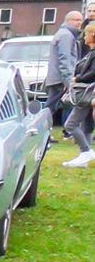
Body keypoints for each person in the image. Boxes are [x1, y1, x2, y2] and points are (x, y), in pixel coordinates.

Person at [60, 21, 95, 167]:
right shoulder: (90, 53)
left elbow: (93, 73)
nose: (84, 36)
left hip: (86, 93)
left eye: (86, 33)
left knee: (71, 124)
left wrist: (76, 79)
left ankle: (86, 151)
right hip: (87, 93)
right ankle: (84, 158)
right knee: (86, 126)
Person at [45, 10, 83, 139]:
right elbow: (64, 58)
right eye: (76, 20)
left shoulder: (64, 34)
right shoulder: (66, 36)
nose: (79, 23)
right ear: (68, 21)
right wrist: (68, 80)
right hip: (60, 79)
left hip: (58, 77)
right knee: (51, 108)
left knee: (58, 106)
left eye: (80, 20)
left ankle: (65, 132)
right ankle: (44, 131)